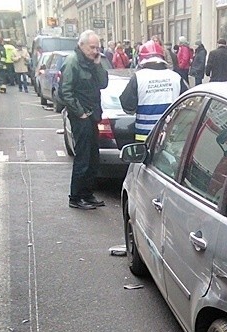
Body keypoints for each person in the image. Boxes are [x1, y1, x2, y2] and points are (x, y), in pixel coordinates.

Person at [57, 30, 109, 210]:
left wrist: (97, 64)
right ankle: (76, 197)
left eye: (98, 47)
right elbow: (65, 92)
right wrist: (80, 113)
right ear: (82, 45)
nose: (95, 51)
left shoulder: (92, 62)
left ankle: (87, 194)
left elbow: (103, 83)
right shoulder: (72, 62)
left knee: (93, 156)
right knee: (83, 157)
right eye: (92, 47)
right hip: (82, 116)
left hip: (93, 114)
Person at [120, 40, 187, 142]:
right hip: (169, 137)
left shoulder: (138, 77)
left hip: (145, 137)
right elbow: (187, 106)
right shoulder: (176, 77)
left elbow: (127, 106)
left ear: (141, 59)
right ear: (162, 58)